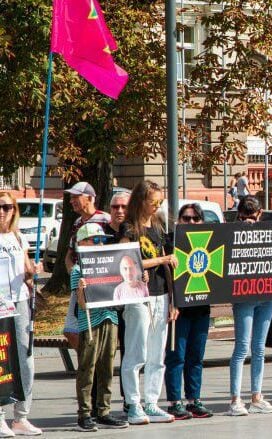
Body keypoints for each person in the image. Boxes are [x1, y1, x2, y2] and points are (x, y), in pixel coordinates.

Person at [118, 180, 177, 425]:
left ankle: (151, 402)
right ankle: (133, 403)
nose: (157, 206)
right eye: (154, 202)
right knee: (136, 352)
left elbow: (169, 268)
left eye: (160, 202)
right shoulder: (128, 228)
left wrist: (173, 301)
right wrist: (160, 260)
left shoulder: (158, 225)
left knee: (157, 354)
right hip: (137, 295)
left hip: (160, 293)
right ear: (141, 200)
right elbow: (123, 261)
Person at [71, 223, 127, 432]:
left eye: (102, 240)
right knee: (88, 368)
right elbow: (82, 304)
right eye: (95, 240)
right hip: (90, 322)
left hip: (109, 318)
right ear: (82, 243)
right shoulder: (78, 269)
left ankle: (103, 410)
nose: (100, 243)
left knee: (107, 367)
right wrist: (80, 290)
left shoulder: (109, 264)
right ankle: (84, 413)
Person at [228, 196, 272, 416]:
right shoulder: (231, 232)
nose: (247, 221)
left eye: (251, 217)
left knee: (259, 349)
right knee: (241, 348)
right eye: (242, 218)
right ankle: (235, 399)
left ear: (260, 214)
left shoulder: (270, 230)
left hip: (266, 295)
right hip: (244, 297)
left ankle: (256, 397)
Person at [164, 203, 213, 420]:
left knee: (196, 357)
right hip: (179, 309)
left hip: (201, 308)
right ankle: (175, 402)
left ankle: (194, 399)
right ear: (178, 220)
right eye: (186, 218)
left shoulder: (211, 241)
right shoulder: (169, 242)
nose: (191, 222)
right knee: (177, 356)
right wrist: (171, 303)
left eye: (195, 219)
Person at [0, 193, 41, 436]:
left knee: (26, 358)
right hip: (0, 304)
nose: (2, 211)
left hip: (20, 302)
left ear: (14, 210)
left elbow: (26, 272)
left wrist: (32, 272)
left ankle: (21, 415)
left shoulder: (18, 237)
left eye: (7, 207)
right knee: (2, 359)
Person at [68, 182, 111, 251]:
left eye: (75, 197)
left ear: (90, 198)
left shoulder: (105, 219)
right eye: (71, 198)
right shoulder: (77, 222)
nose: (71, 201)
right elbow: (70, 253)